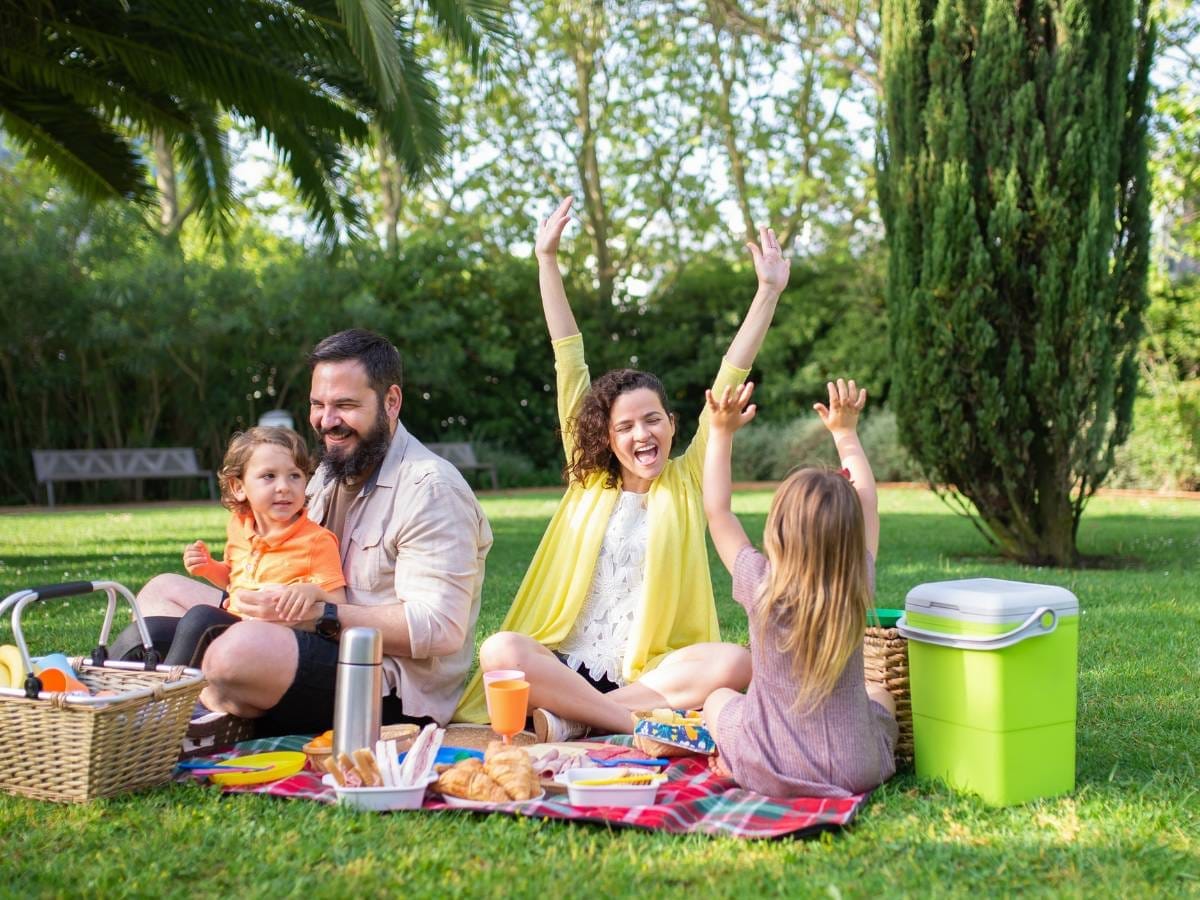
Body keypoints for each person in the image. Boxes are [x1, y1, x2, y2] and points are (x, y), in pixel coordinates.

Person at [455, 196, 789, 740]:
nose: (642, 435)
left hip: (647, 675)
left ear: (673, 425)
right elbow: (568, 357)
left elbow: (730, 376)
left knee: (735, 662)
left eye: (652, 420)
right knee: (500, 650)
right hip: (563, 663)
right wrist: (546, 260)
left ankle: (571, 719)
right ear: (607, 438)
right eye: (626, 426)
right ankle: (628, 723)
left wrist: (767, 291)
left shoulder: (688, 480)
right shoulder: (587, 477)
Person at [113, 329, 493, 736]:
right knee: (160, 594)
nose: (327, 421)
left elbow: (440, 628)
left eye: (345, 405)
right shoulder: (330, 470)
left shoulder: (430, 489)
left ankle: (188, 714)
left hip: (382, 684)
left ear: (391, 401)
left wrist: (318, 616)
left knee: (233, 653)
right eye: (317, 404)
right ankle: (153, 705)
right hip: (299, 633)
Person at [699, 378, 898, 798]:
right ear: (850, 536)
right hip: (854, 769)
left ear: (779, 530)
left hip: (769, 766)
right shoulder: (856, 580)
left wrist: (720, 433)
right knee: (880, 693)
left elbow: (718, 513)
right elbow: (868, 502)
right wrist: (845, 434)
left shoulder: (760, 584)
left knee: (717, 699)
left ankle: (733, 760)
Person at [157, 426, 347, 669]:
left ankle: (168, 691)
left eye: (294, 476)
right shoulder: (239, 526)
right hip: (237, 623)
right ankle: (118, 687)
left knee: (200, 618)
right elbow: (233, 579)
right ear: (238, 488)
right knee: (153, 629)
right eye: (269, 476)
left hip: (277, 641)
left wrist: (310, 591)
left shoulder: (316, 541)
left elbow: (339, 601)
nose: (284, 486)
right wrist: (209, 568)